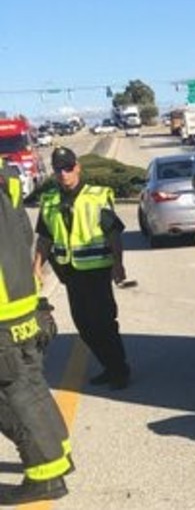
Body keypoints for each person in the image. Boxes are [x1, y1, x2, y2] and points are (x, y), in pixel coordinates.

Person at [0, 157, 73, 504]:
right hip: (19, 300)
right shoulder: (6, 175)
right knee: (29, 383)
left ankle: (44, 473)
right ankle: (58, 451)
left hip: (1, 310)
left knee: (10, 394)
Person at [32, 146, 131, 390]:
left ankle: (119, 370)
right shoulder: (50, 201)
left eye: (68, 168)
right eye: (58, 169)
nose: (64, 173)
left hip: (97, 271)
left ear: (77, 167)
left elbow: (113, 234)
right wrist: (36, 267)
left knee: (104, 322)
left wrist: (118, 265)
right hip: (70, 274)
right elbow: (45, 239)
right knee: (84, 325)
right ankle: (109, 365)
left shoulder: (97, 196)